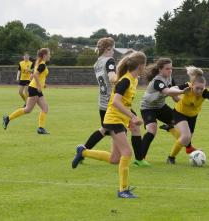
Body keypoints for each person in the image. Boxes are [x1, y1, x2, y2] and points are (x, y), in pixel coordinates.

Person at [72, 52, 147, 198]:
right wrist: (132, 116)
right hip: (113, 119)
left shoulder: (134, 80)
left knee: (115, 159)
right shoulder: (125, 81)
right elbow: (115, 102)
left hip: (120, 119)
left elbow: (125, 102)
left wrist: (132, 118)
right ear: (140, 66)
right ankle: (123, 190)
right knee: (127, 153)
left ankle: (83, 151)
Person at [164, 66, 209, 164]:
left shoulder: (204, 92)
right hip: (179, 113)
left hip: (193, 116)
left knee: (186, 140)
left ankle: (171, 129)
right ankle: (171, 158)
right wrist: (181, 91)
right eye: (197, 88)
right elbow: (171, 89)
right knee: (185, 136)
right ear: (192, 85)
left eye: (202, 89)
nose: (199, 91)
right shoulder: (187, 86)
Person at [135, 58, 189, 166]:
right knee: (152, 130)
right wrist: (183, 90)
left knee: (181, 123)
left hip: (161, 107)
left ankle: (186, 145)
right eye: (167, 69)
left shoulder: (170, 79)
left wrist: (187, 104)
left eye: (171, 68)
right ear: (160, 69)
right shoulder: (157, 81)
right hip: (148, 108)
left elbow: (174, 97)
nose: (170, 71)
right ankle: (140, 159)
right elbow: (168, 92)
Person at [2, 48, 51, 135]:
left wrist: (42, 84)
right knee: (28, 109)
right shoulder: (42, 65)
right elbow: (35, 75)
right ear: (44, 55)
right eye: (49, 54)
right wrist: (39, 85)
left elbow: (32, 76)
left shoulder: (38, 63)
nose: (50, 56)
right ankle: (8, 118)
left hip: (35, 88)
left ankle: (41, 128)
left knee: (45, 108)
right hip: (35, 89)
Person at [82, 37, 116, 150]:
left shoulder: (97, 63)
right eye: (113, 49)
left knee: (106, 129)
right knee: (130, 124)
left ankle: (83, 150)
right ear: (108, 49)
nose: (113, 52)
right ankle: (136, 158)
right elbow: (112, 78)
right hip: (112, 102)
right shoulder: (109, 60)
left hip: (102, 102)